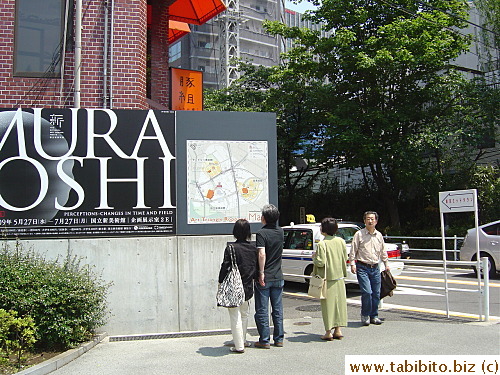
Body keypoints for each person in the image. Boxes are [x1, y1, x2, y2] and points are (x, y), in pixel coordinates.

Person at [218, 219, 257, 353]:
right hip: (247, 286)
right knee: (244, 314)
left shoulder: (231, 248)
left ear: (235, 232)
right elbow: (255, 267)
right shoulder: (253, 247)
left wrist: (220, 281)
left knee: (235, 316)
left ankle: (239, 345)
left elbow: (225, 266)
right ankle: (243, 340)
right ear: (248, 232)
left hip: (234, 287)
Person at [349, 211, 390, 326]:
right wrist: (352, 263)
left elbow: (383, 251)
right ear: (364, 221)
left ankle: (374, 315)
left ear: (376, 221)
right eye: (368, 219)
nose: (370, 221)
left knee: (376, 293)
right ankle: (365, 314)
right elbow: (353, 250)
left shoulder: (379, 235)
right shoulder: (359, 234)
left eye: (372, 219)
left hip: (375, 267)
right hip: (362, 266)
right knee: (367, 292)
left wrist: (386, 264)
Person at [254, 204, 284, 349]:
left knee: (262, 309)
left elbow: (261, 254)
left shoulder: (261, 233)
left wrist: (261, 272)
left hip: (266, 276)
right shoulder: (280, 232)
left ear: (264, 218)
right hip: (278, 275)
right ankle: (279, 339)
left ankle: (264, 340)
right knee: (277, 309)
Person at [312, 217, 348, 340]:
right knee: (339, 304)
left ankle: (328, 332)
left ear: (324, 229)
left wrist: (314, 258)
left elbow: (321, 262)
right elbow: (345, 257)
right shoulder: (341, 241)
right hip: (339, 277)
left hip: (327, 279)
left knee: (327, 306)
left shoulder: (322, 244)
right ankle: (338, 330)